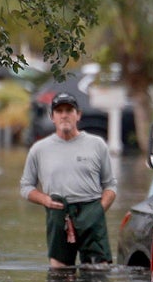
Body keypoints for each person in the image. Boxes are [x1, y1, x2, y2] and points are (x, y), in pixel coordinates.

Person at [20, 92, 118, 268]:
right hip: (58, 211)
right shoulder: (39, 149)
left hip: (91, 210)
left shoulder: (97, 144)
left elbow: (110, 185)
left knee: (99, 270)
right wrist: (45, 200)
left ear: (78, 115)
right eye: (59, 111)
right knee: (59, 271)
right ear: (52, 117)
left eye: (69, 110)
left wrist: (98, 210)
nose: (64, 115)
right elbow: (26, 187)